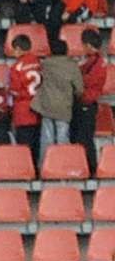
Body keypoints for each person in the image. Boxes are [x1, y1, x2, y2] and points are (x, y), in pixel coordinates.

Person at [31, 39, 82, 167]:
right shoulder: (72, 66)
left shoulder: (45, 64)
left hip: (47, 105)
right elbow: (79, 89)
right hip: (63, 106)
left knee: (46, 138)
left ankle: (44, 166)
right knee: (62, 137)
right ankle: (62, 166)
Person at [71, 29, 106, 172]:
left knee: (85, 139)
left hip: (87, 103)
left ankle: (91, 169)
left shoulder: (97, 63)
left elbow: (88, 81)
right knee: (78, 138)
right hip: (83, 103)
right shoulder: (92, 61)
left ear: (88, 45)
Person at [9, 34, 42, 167]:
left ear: (18, 48)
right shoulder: (38, 62)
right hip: (38, 108)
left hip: (23, 111)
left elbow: (15, 90)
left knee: (24, 146)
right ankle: (36, 170)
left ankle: (25, 169)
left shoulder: (16, 67)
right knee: (36, 144)